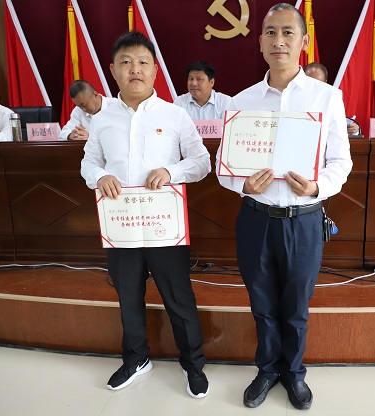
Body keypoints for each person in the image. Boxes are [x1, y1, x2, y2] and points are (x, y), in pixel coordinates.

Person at [216, 3, 352, 410]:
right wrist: (241, 183)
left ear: (303, 41)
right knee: (261, 303)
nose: (279, 41)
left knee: (295, 307)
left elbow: (341, 162)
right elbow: (223, 167)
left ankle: (293, 373)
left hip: (303, 220)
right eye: (271, 33)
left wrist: (316, 187)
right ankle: (267, 370)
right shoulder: (241, 101)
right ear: (260, 42)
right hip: (256, 219)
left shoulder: (326, 97)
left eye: (288, 33)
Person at [80, 31, 211, 398]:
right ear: (112, 70)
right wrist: (100, 176)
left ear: (155, 70)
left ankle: (193, 362)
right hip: (121, 225)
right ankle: (136, 358)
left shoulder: (175, 115)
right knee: (128, 295)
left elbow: (201, 161)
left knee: (178, 296)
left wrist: (172, 172)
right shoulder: (102, 119)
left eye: (142, 62)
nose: (134, 69)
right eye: (125, 62)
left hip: (163, 226)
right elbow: (88, 162)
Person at [304, 62, 359, 136]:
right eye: (311, 82)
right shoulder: (294, 99)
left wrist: (353, 130)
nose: (315, 87)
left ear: (325, 83)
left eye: (319, 83)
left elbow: (339, 129)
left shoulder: (331, 102)